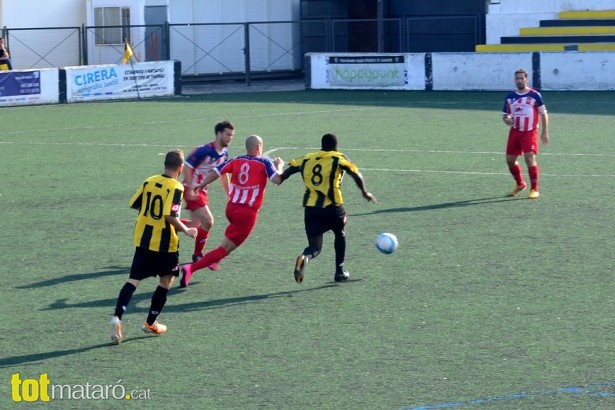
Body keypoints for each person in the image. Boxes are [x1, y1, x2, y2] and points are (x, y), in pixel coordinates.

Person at [110, 149, 197, 344]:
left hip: (143, 238)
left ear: (164, 164)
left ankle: (116, 318)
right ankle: (150, 322)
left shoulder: (149, 181)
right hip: (165, 244)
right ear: (181, 168)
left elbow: (134, 203)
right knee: (166, 282)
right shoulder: (176, 187)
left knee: (133, 280)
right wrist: (187, 230)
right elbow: (170, 216)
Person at [179, 135, 284, 288]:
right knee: (225, 249)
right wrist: (279, 165)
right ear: (259, 147)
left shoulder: (236, 160)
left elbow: (216, 172)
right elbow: (277, 180)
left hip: (231, 209)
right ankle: (191, 268)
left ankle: (212, 259)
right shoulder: (264, 162)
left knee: (226, 241)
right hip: (246, 214)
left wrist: (201, 185)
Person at [280, 133, 377, 284]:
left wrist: (280, 172)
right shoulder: (338, 158)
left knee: (315, 247)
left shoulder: (307, 158)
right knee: (340, 233)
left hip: (311, 209)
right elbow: (355, 173)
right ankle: (339, 271)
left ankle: (304, 258)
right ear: (336, 146)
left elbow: (287, 172)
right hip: (333, 207)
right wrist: (365, 192)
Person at [182, 120, 235, 269]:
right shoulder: (205, 150)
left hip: (202, 191)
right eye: (227, 134)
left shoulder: (224, 153)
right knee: (208, 221)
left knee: (195, 225)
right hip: (192, 190)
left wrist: (229, 193)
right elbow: (187, 166)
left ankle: (170, 223)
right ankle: (197, 256)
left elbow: (222, 174)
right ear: (218, 133)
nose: (230, 137)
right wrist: (191, 187)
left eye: (232, 135)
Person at [502, 68, 549, 199]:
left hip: (530, 131)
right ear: (514, 80)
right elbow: (505, 115)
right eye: (517, 78)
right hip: (515, 132)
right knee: (510, 161)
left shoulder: (534, 95)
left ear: (527, 79)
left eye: (522, 78)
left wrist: (544, 132)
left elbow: (543, 114)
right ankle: (520, 184)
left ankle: (534, 189)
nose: (520, 80)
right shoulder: (510, 97)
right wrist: (507, 120)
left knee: (529, 158)